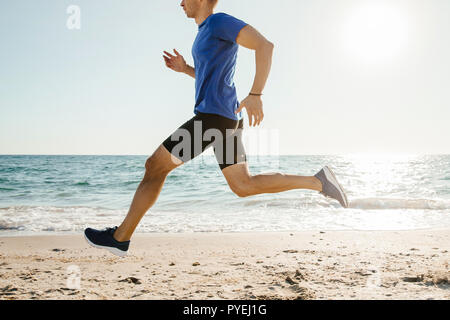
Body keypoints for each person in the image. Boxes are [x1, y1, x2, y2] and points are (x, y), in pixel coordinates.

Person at [84, 0, 348, 257]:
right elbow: (211, 76)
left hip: (214, 119)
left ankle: (120, 237)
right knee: (243, 186)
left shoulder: (219, 22)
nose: (180, 3)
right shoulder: (204, 33)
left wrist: (256, 94)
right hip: (225, 119)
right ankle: (318, 181)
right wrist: (186, 68)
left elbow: (264, 46)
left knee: (155, 165)